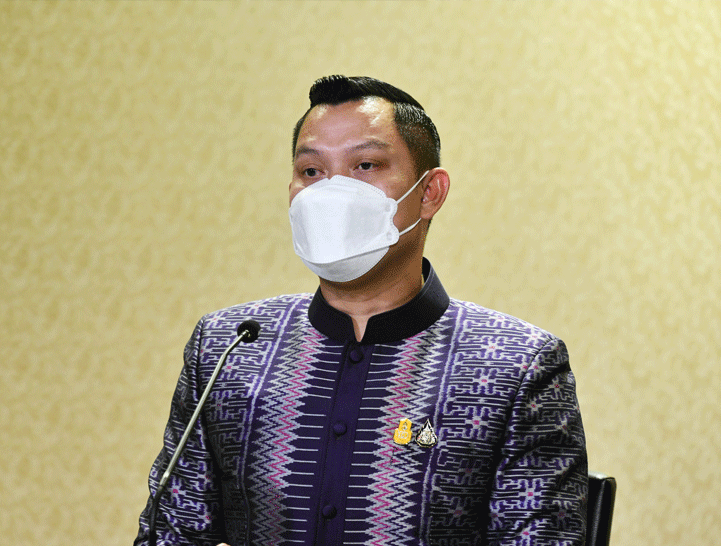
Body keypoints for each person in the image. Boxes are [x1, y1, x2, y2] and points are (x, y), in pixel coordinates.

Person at [135, 75, 588, 546]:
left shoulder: (516, 365)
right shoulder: (228, 348)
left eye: (365, 165)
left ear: (429, 192)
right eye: (312, 171)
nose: (331, 192)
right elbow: (170, 534)